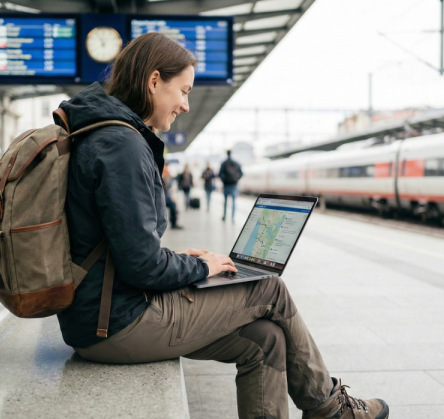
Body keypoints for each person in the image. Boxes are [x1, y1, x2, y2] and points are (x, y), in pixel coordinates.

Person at [56, 32, 388, 419]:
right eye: (183, 90)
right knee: (269, 287)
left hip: (101, 313)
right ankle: (330, 408)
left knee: (267, 339)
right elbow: (141, 267)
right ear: (153, 81)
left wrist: (180, 257)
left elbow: (117, 245)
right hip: (114, 324)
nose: (184, 104)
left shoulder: (105, 133)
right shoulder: (121, 144)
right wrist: (202, 267)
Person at [218, 149, 243, 222]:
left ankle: (224, 216)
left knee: (225, 201)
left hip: (226, 185)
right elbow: (241, 173)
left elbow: (219, 174)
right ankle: (233, 218)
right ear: (231, 153)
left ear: (226, 153)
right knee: (234, 201)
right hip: (234, 185)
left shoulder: (224, 163)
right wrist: (236, 179)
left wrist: (224, 181)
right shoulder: (236, 163)